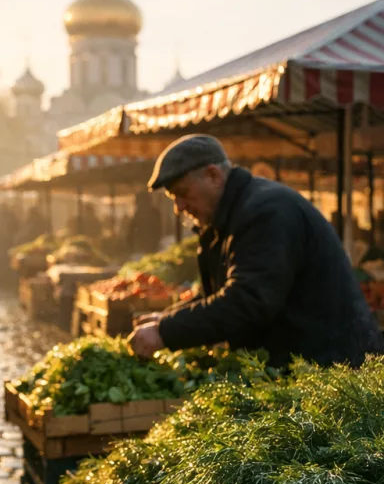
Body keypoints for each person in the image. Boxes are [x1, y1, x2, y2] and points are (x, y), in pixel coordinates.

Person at [129, 134, 384, 369]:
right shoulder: (232, 217)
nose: (179, 207)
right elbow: (222, 294)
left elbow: (249, 300)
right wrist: (165, 320)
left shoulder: (266, 212)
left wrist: (166, 332)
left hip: (333, 367)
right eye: (173, 198)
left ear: (213, 176)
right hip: (302, 363)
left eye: (182, 194)